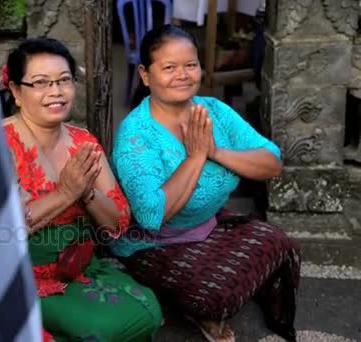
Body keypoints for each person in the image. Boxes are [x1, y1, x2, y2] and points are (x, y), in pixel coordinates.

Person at [111, 26, 300, 342]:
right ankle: (172, 297)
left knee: (280, 243)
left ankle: (203, 283)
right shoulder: (136, 135)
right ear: (145, 74)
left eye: (190, 64)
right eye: (169, 67)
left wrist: (215, 151)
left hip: (209, 224)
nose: (183, 75)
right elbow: (150, 215)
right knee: (215, 295)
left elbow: (272, 162)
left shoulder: (213, 110)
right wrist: (195, 158)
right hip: (153, 243)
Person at [0, 37, 162, 341]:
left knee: (147, 310)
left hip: (80, 269)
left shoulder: (83, 142)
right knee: (103, 329)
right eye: (40, 83)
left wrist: (87, 193)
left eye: (64, 80)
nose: (56, 92)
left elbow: (117, 223)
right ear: (16, 92)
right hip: (23, 279)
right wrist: (65, 193)